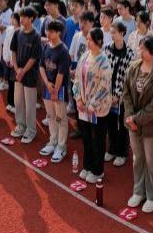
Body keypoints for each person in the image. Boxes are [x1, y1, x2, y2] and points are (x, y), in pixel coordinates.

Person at [124, 35, 153, 214]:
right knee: (138, 159)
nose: (140, 52)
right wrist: (130, 117)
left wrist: (136, 119)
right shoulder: (133, 67)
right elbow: (126, 93)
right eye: (140, 48)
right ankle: (139, 191)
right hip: (133, 124)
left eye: (144, 49)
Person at [73, 27, 114, 183]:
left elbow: (105, 86)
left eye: (90, 39)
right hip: (83, 107)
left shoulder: (104, 62)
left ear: (98, 41)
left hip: (98, 109)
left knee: (97, 139)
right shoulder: (85, 56)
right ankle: (87, 165)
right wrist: (78, 98)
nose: (87, 41)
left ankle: (98, 171)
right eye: (87, 39)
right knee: (86, 137)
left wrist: (92, 104)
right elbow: (77, 79)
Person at [39, 20, 72, 163]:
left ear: (58, 32)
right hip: (47, 88)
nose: (48, 33)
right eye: (48, 30)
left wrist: (55, 91)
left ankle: (61, 146)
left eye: (52, 31)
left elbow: (61, 73)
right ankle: (53, 141)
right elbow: (41, 66)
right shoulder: (46, 46)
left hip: (59, 90)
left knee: (60, 118)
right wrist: (47, 84)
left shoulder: (63, 51)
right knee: (50, 116)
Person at [9, 7, 42, 144]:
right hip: (17, 74)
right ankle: (20, 125)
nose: (21, 19)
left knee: (30, 104)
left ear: (31, 19)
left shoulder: (36, 36)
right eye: (20, 16)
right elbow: (13, 51)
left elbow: (34, 58)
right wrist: (17, 68)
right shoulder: (17, 33)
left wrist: (23, 71)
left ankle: (31, 130)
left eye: (24, 17)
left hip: (30, 75)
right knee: (18, 102)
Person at [104, 22, 133, 167]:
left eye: (114, 32)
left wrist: (118, 94)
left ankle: (122, 153)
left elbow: (127, 78)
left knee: (122, 125)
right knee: (110, 123)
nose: (112, 35)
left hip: (122, 96)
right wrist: (108, 93)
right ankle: (112, 149)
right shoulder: (107, 49)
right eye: (111, 32)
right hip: (107, 93)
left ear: (122, 33)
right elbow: (104, 70)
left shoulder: (129, 53)